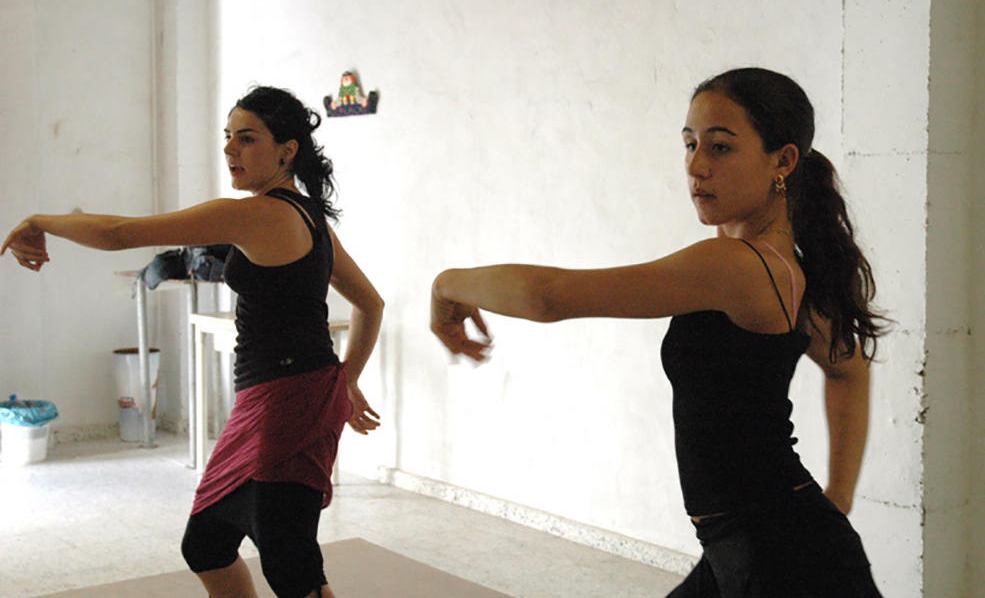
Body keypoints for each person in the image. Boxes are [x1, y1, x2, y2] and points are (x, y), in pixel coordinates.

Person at [430, 68, 886, 597]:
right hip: (755, 546)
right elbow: (849, 370)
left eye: (720, 147)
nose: (696, 166)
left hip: (780, 562)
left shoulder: (734, 266)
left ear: (782, 161)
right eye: (690, 145)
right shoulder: (786, 266)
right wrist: (837, 496)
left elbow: (549, 296)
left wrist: (445, 286)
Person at [2, 86, 384, 598]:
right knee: (207, 544)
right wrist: (344, 382)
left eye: (247, 139)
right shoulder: (308, 215)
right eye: (228, 137)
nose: (230, 149)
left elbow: (119, 233)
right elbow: (371, 304)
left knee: (290, 565)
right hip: (275, 398)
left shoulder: (260, 213)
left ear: (287, 150)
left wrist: (39, 222)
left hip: (287, 404)